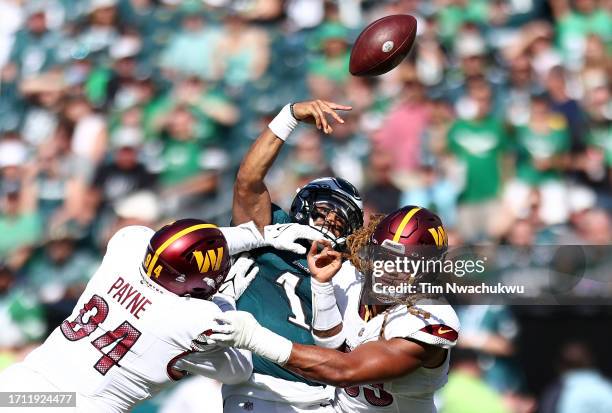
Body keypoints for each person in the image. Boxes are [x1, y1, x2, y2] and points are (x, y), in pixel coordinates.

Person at [0, 218, 327, 412]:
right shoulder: (194, 319)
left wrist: (255, 234)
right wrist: (227, 300)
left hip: (22, 386)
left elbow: (180, 240)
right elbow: (238, 371)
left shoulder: (126, 247)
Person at [213, 206, 460, 413]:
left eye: (405, 263)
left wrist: (253, 337)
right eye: (383, 256)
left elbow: (345, 369)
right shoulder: (352, 278)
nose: (389, 269)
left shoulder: (429, 320)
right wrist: (321, 286)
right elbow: (332, 347)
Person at [227, 100, 364, 411]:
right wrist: (288, 116)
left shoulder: (352, 269)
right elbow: (248, 182)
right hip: (256, 388)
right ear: (304, 206)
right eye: (324, 211)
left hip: (324, 397)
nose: (329, 221)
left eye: (340, 219)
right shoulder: (274, 231)